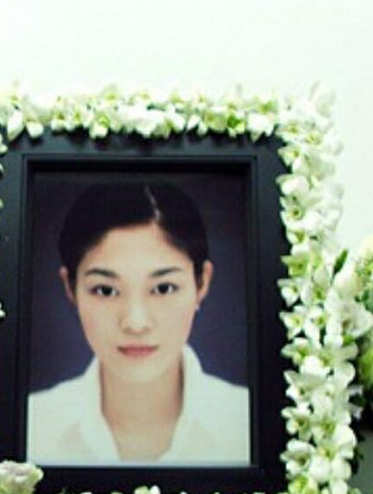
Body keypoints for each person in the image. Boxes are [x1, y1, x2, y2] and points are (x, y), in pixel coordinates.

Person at [27, 181, 250, 465]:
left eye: (163, 288)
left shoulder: (247, 424)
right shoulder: (34, 427)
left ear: (201, 283)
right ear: (70, 288)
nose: (135, 323)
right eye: (106, 290)